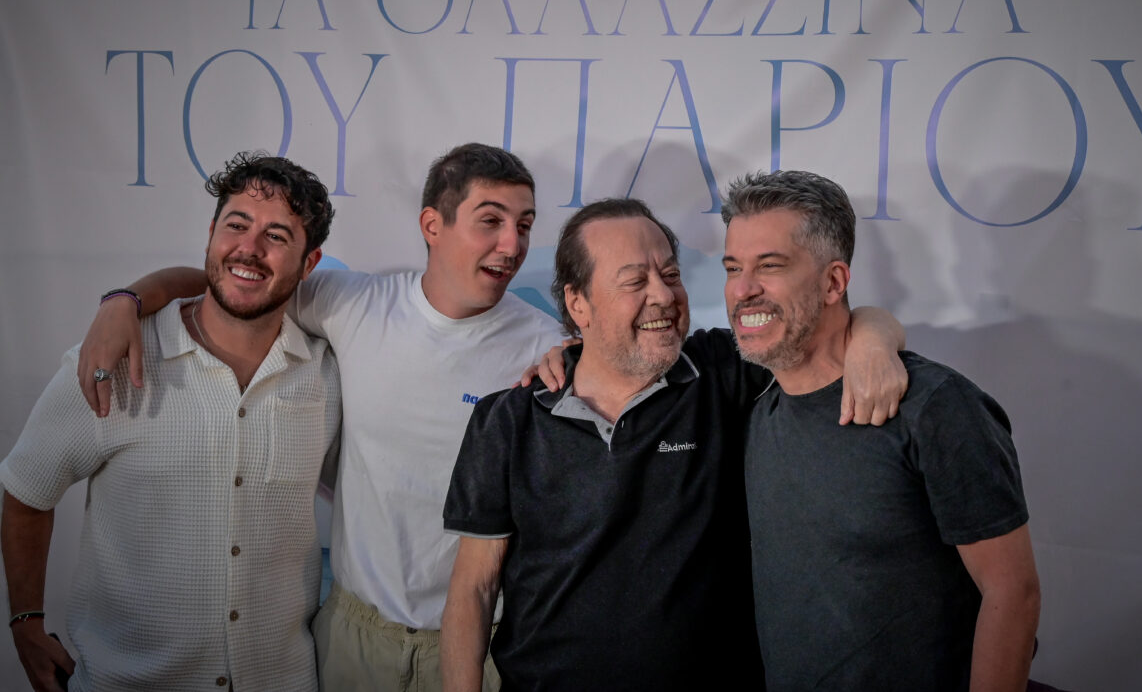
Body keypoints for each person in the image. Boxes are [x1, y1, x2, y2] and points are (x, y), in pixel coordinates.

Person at [72, 144, 565, 692]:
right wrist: (124, 301)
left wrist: (576, 362)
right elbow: (233, 281)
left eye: (525, 226)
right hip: (355, 639)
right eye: (491, 221)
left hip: (485, 643)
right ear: (432, 224)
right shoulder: (351, 303)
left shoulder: (547, 347)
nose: (512, 244)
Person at [440, 198, 907, 692]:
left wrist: (873, 342)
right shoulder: (506, 421)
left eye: (670, 274)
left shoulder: (722, 371)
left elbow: (836, 326)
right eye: (635, 282)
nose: (663, 295)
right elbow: (474, 590)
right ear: (579, 304)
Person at [1, 152, 341, 691]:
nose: (249, 248)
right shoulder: (114, 358)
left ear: (309, 262)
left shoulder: (327, 374)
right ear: (210, 235)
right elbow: (26, 491)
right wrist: (25, 621)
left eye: (277, 236)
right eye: (236, 225)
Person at [721, 170, 1041, 691]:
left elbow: (1013, 593)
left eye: (770, 266)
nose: (742, 289)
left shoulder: (935, 406)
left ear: (834, 282)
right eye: (733, 267)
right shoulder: (751, 402)